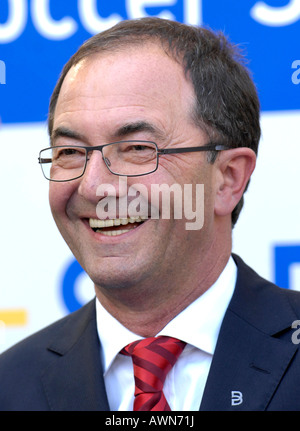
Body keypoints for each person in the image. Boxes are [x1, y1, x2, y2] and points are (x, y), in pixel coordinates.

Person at [0, 17, 300, 412]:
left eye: (138, 148)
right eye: (70, 152)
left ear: (227, 179)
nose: (93, 187)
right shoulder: (10, 386)